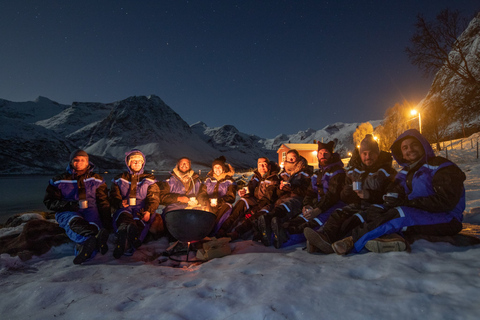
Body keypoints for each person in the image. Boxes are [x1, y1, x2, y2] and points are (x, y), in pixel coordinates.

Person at [330, 129, 466, 255]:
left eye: (414, 145)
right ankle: (390, 239)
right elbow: (394, 192)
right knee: (376, 210)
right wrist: (387, 199)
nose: (410, 150)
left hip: (446, 218)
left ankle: (352, 241)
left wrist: (405, 202)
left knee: (399, 215)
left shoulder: (441, 166)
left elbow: (446, 201)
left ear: (423, 145)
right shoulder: (406, 173)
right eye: (405, 148)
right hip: (418, 212)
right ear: (402, 154)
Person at [304, 135, 397, 253]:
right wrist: (347, 192)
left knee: (353, 221)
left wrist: (370, 195)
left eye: (371, 153)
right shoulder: (354, 171)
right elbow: (344, 198)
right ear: (360, 154)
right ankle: (324, 238)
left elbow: (391, 196)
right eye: (364, 153)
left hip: (376, 208)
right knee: (338, 214)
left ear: (377, 154)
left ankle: (340, 242)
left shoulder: (388, 172)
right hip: (356, 205)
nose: (368, 157)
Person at [44, 150, 111, 265]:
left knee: (94, 225)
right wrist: (69, 205)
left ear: (88, 162)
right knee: (75, 221)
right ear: (71, 162)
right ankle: (86, 241)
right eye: (76, 160)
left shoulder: (97, 180)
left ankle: (87, 246)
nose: (79, 162)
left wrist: (107, 221)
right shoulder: (58, 180)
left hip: (91, 209)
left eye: (82, 160)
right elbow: (49, 202)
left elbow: (103, 201)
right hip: (68, 210)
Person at [276, 141, 346, 248]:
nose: (323, 156)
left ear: (331, 154)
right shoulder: (317, 174)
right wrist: (307, 205)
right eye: (320, 153)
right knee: (298, 220)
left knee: (311, 224)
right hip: (318, 205)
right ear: (317, 155)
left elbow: (333, 195)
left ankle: (289, 238)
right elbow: (310, 193)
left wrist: (318, 209)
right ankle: (278, 233)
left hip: (332, 206)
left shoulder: (338, 172)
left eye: (326, 153)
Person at [110, 150, 160, 258]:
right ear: (128, 163)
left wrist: (149, 211)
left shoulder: (149, 179)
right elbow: (114, 195)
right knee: (123, 217)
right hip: (125, 206)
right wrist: (119, 203)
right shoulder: (119, 178)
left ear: (143, 163)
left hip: (141, 207)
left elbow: (154, 197)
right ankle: (123, 236)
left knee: (140, 221)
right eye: (134, 161)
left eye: (139, 161)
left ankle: (129, 243)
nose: (137, 163)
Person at [256, 149, 312, 248]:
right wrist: (281, 189)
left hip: (297, 199)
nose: (290, 159)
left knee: (286, 205)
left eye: (293, 157)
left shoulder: (305, 172)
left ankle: (269, 221)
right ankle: (270, 231)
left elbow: (307, 191)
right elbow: (277, 193)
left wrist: (292, 187)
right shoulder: (283, 174)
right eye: (288, 158)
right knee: (274, 206)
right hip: (283, 198)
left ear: (298, 158)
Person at [216, 157, 280, 239]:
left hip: (266, 203)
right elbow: (250, 188)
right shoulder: (256, 176)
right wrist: (244, 192)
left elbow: (268, 198)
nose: (262, 167)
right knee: (241, 203)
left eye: (264, 164)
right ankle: (223, 228)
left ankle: (237, 232)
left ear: (269, 166)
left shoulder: (273, 178)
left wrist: (256, 207)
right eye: (260, 164)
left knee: (253, 214)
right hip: (255, 200)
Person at [197, 156, 237, 235]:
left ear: (223, 168)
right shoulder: (207, 180)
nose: (217, 169)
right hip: (208, 205)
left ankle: (214, 230)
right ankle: (200, 231)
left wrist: (218, 201)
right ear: (213, 168)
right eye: (215, 167)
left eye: (219, 167)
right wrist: (206, 201)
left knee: (227, 206)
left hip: (222, 206)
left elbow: (231, 198)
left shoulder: (229, 181)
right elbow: (202, 193)